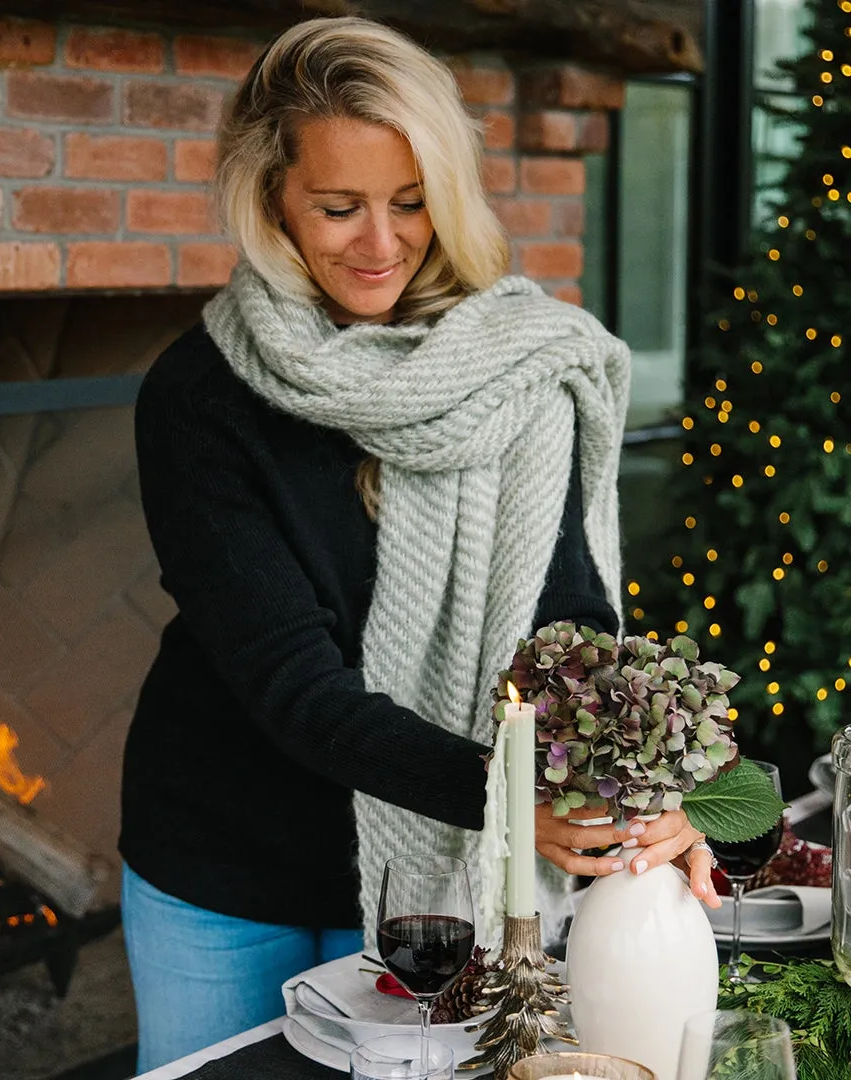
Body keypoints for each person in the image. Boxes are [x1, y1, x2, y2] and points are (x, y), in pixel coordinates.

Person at [118, 16, 719, 1073]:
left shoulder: (522, 366)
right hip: (226, 866)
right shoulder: (198, 396)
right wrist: (512, 795)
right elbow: (294, 688)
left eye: (412, 203)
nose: (384, 243)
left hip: (442, 885)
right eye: (339, 207)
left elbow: (566, 624)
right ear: (271, 202)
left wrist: (630, 792)